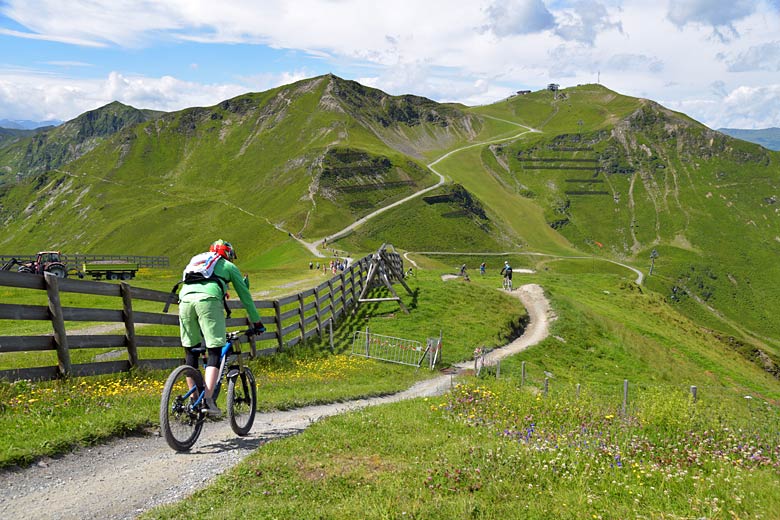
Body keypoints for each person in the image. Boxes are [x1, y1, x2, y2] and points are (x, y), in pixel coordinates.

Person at [179, 239, 264, 417]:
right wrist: (256, 322)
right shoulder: (228, 266)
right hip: (208, 301)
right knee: (215, 350)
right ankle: (208, 401)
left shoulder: (198, 261)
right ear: (229, 254)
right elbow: (245, 297)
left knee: (191, 351)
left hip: (184, 300)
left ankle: (193, 401)